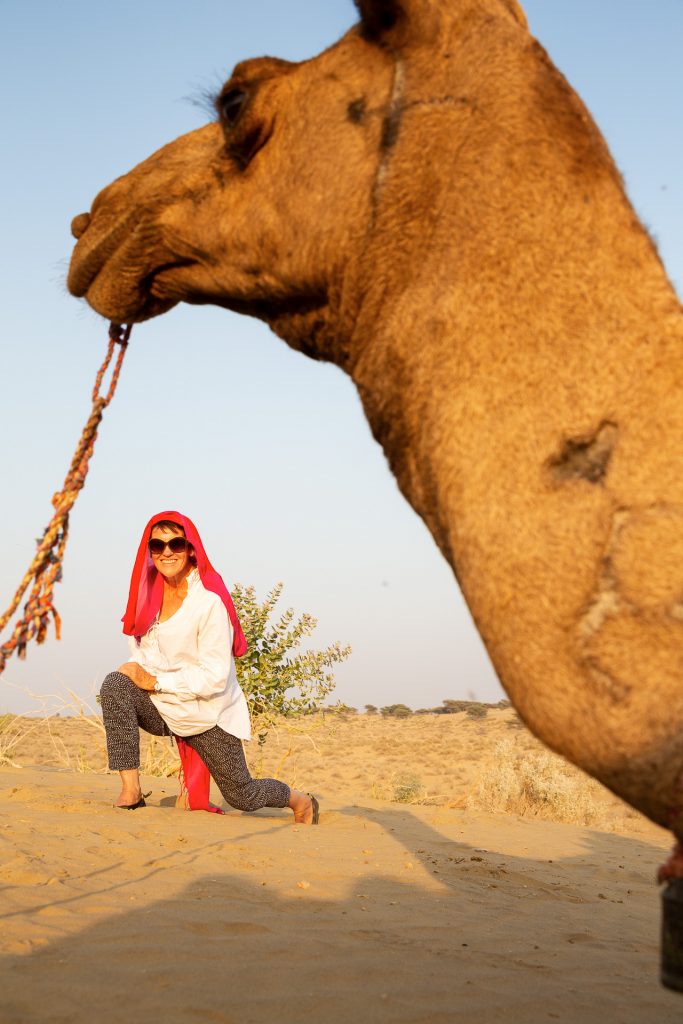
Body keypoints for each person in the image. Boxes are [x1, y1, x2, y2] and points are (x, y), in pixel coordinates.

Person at [99, 511, 318, 824]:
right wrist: (135, 671)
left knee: (242, 795)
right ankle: (131, 792)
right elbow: (143, 654)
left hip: (206, 714)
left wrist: (155, 681)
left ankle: (301, 801)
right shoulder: (147, 597)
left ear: (190, 549)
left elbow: (215, 677)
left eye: (175, 543)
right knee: (115, 685)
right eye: (157, 546)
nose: (167, 552)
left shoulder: (208, 604)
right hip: (164, 706)